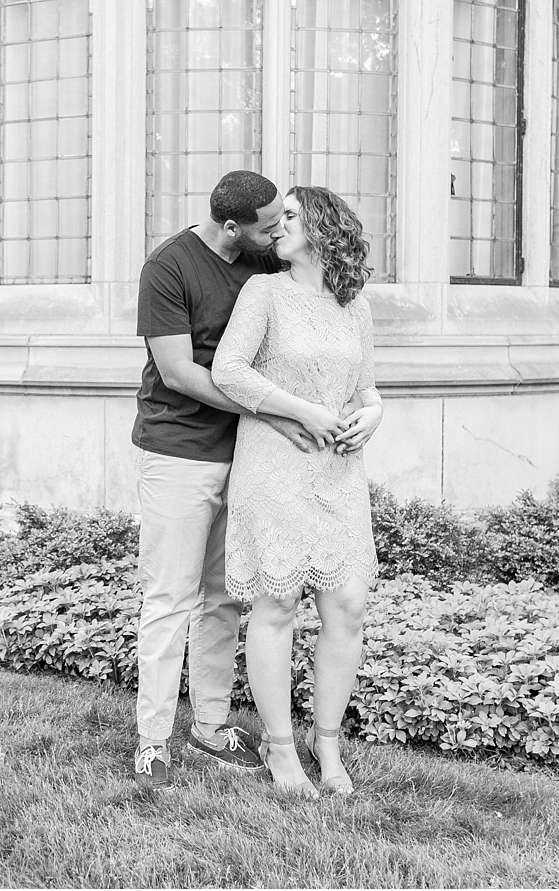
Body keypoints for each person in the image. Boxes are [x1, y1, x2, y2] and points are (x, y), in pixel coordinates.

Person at [130, 170, 343, 790]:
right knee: (170, 596)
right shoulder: (169, 267)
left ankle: (211, 725)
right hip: (180, 451)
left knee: (224, 594)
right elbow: (177, 372)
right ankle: (153, 740)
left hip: (250, 455)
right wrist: (271, 410)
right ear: (232, 225)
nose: (278, 231)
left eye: (283, 221)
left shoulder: (260, 262)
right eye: (269, 224)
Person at [211, 184, 384, 797]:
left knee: (348, 608)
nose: (273, 225)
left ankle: (327, 743)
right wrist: (305, 411)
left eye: (287, 216)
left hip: (339, 473)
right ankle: (279, 747)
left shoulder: (354, 305)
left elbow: (366, 386)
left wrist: (374, 414)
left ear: (322, 227)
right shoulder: (264, 293)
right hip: (274, 463)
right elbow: (228, 370)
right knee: (277, 604)